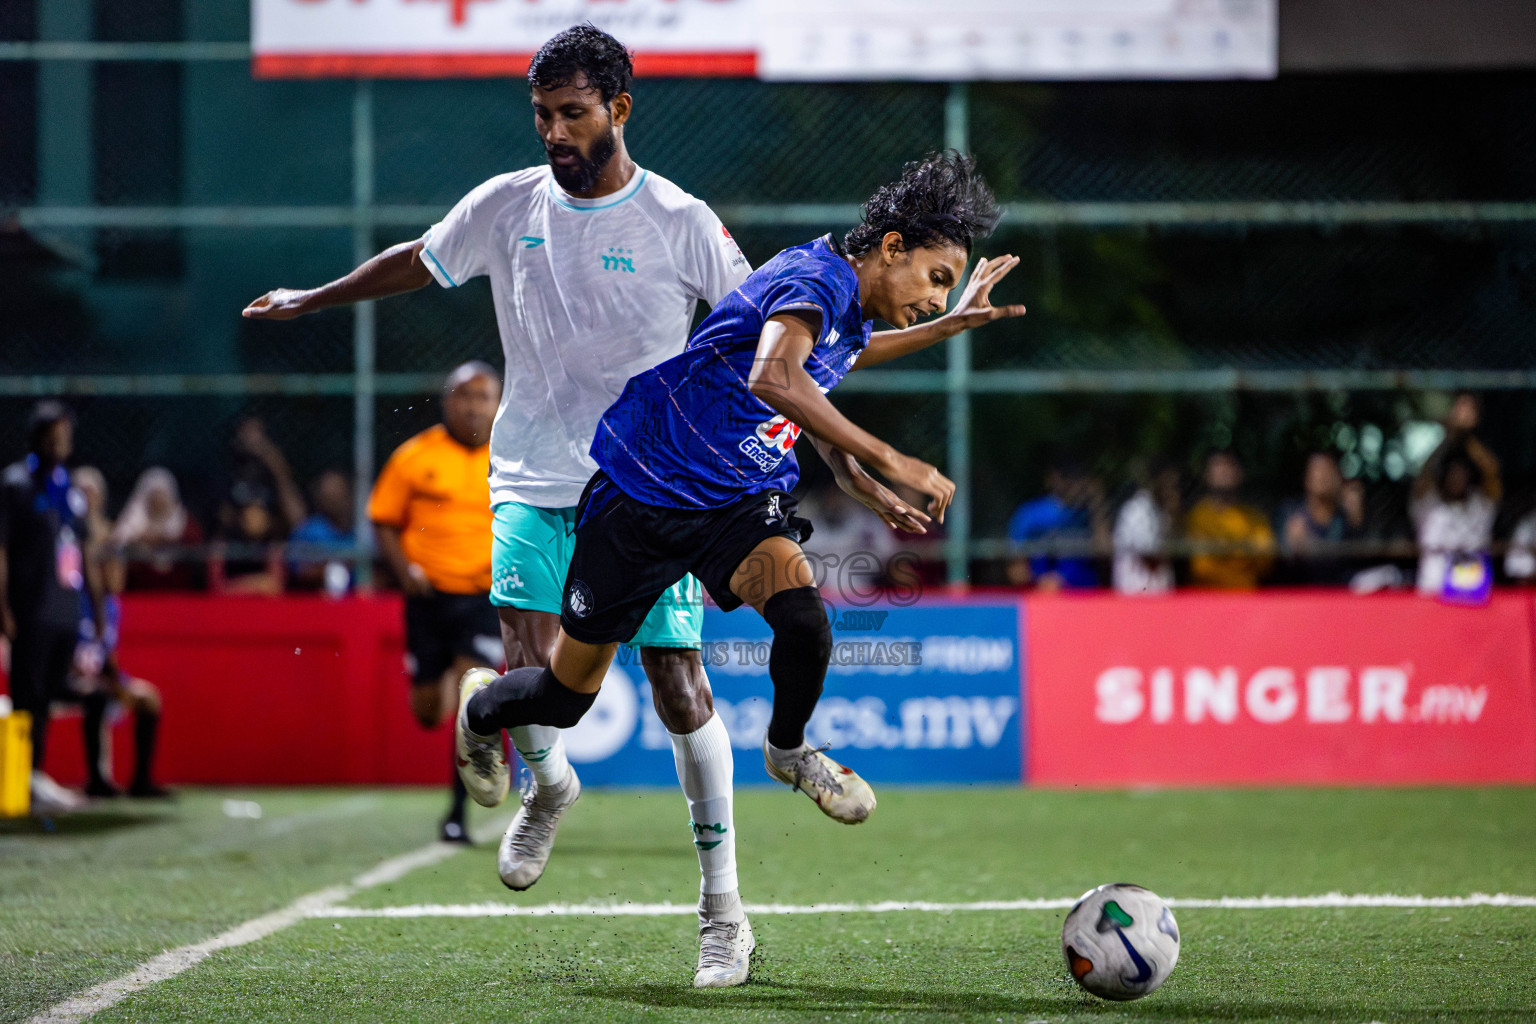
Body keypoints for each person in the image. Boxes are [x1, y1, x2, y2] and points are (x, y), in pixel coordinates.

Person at [243, 26, 767, 986]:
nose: (556, 133)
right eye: (542, 115)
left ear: (621, 108)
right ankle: (551, 784)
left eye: (573, 114)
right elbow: (419, 258)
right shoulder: (507, 204)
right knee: (528, 668)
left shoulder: (682, 221)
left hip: (650, 488)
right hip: (529, 476)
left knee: (679, 687)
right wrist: (314, 299)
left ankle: (723, 913)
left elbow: (761, 341)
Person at [453, 151, 1023, 985]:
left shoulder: (852, 307)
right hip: (641, 494)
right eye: (935, 277)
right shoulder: (815, 277)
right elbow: (776, 374)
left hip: (731, 504)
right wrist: (890, 457)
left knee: (803, 617)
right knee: (563, 699)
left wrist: (943, 332)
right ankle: (479, 710)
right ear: (891, 246)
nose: (936, 292)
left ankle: (788, 754)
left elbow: (838, 365)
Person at [368, 363, 504, 843]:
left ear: (498, 402)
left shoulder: (512, 454)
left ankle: (456, 813)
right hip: (427, 597)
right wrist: (404, 573)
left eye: (484, 397)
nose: (473, 406)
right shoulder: (415, 456)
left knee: (473, 701)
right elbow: (383, 518)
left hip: (484, 595)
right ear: (447, 402)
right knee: (428, 711)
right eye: (464, 396)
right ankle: (449, 692)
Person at [0, 402, 110, 813]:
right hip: (29, 607)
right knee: (27, 695)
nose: (60, 444)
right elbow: (3, 549)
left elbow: (83, 553)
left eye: (64, 436)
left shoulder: (70, 491)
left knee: (48, 695)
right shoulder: (15, 484)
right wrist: (3, 606)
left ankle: (37, 776)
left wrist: (95, 611)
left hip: (64, 609)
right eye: (53, 436)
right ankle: (20, 780)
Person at [67, 467, 170, 799]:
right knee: (94, 694)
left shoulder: (109, 604)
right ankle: (97, 779)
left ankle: (141, 781)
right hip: (70, 672)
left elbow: (106, 650)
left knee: (148, 698)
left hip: (101, 672)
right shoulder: (68, 584)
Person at [1412, 395, 1500, 597]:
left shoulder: (1479, 505)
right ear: (1443, 476)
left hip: (1472, 592)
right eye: (1452, 473)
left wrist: (1466, 437)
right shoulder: (1430, 505)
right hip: (1433, 591)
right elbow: (1423, 477)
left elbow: (1492, 474)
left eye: (1461, 474)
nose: (1456, 478)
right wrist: (1450, 435)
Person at [209, 418, 301, 596]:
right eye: (246, 434)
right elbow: (222, 520)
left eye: (257, 435)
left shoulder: (272, 474)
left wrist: (270, 457)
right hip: (236, 544)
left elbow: (297, 519)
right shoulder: (227, 472)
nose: (252, 441)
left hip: (266, 542)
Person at [1005, 458, 1107, 590]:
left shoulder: (1091, 513)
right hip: (1047, 599)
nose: (1073, 482)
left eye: (1078, 475)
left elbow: (1105, 553)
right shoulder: (1029, 514)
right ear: (1053, 478)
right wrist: (1041, 582)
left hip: (1088, 597)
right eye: (1067, 475)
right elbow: (1015, 569)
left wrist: (1097, 502)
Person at [1185, 450, 1275, 590]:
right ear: (1206, 474)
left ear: (1240, 473)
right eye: (1218, 465)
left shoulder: (1254, 518)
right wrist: (1241, 556)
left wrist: (1221, 552)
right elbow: (1201, 568)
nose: (1224, 471)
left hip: (1246, 599)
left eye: (1230, 464)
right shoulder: (1197, 516)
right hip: (1205, 600)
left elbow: (1264, 562)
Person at [1275, 452, 1365, 586]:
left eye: (1328, 471)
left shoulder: (1344, 519)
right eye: (1317, 470)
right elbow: (1279, 563)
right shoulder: (1291, 514)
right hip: (1300, 594)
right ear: (1307, 478)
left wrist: (1356, 520)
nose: (1322, 476)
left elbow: (1357, 563)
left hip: (1339, 594)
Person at [114, 467, 205, 591]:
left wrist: (165, 540)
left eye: (162, 496)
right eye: (155, 496)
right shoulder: (132, 522)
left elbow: (196, 545)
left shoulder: (185, 522)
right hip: (140, 592)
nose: (159, 501)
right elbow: (118, 544)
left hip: (180, 592)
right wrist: (140, 542)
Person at [1112, 459, 1180, 595]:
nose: (1173, 488)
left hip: (1156, 594)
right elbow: (1151, 557)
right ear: (1157, 480)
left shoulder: (1160, 510)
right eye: (1169, 482)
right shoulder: (1138, 510)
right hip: (1137, 594)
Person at [289, 469, 359, 594]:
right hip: (317, 598)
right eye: (328, 496)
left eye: (338, 494)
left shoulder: (363, 530)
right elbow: (299, 571)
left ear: (348, 495)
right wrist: (328, 569)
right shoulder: (308, 531)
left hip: (358, 598)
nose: (334, 501)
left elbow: (375, 567)